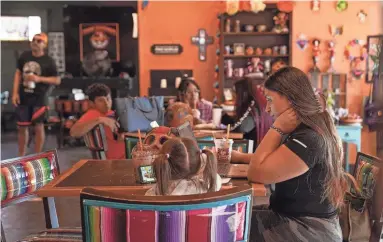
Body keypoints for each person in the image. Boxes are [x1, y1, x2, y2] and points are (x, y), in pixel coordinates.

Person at [231, 67, 346, 241]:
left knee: (228, 225)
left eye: (270, 100)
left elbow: (256, 173)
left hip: (309, 229)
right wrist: (239, 157)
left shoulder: (309, 139)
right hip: (294, 217)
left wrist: (276, 127)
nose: (268, 109)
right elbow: (274, 160)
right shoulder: (307, 129)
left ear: (291, 100)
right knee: (233, 214)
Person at [12, 33, 61, 156]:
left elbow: (57, 80)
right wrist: (14, 93)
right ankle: (21, 156)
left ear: (44, 45)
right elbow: (18, 74)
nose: (35, 42)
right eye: (33, 40)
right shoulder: (24, 56)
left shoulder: (48, 61)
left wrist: (39, 79)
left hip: (39, 98)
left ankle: (36, 156)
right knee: (22, 127)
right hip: (23, 96)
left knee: (38, 126)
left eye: (39, 41)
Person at [145, 137, 220, 195]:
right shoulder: (204, 188)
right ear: (199, 164)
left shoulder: (152, 193)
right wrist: (202, 166)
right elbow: (216, 179)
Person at [70, 83, 125, 159]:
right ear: (92, 103)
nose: (106, 103)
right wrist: (100, 119)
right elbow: (74, 132)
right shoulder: (93, 114)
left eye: (108, 99)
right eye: (101, 100)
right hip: (117, 161)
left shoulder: (114, 113)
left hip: (128, 155)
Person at [221, 78, 273, 146]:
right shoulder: (256, 103)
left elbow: (243, 127)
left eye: (235, 93)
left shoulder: (253, 107)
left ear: (243, 94)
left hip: (253, 149)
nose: (234, 97)